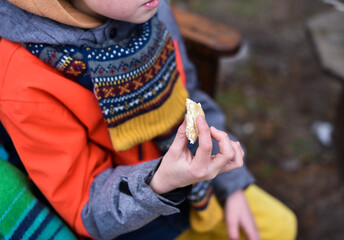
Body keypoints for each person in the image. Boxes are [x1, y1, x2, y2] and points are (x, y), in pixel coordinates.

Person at [0, 0, 297, 240]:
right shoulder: (22, 77)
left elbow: (189, 97)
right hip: (134, 221)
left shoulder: (150, 10)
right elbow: (85, 206)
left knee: (281, 226)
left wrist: (231, 182)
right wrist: (160, 183)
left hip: (199, 188)